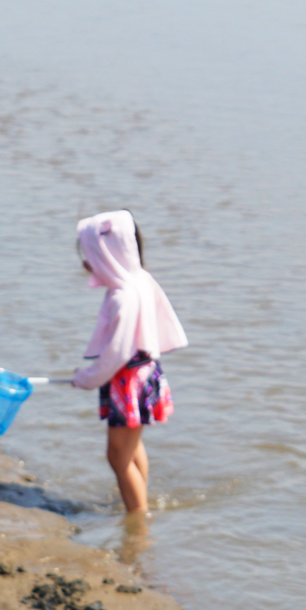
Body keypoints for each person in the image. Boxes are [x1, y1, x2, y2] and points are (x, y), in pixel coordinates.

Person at [70, 211, 187, 518]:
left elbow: (117, 352)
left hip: (127, 379)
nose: (85, 265)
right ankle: (138, 498)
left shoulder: (122, 296)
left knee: (117, 457)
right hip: (147, 371)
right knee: (132, 448)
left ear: (107, 256)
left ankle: (137, 519)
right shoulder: (142, 281)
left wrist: (87, 378)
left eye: (90, 257)